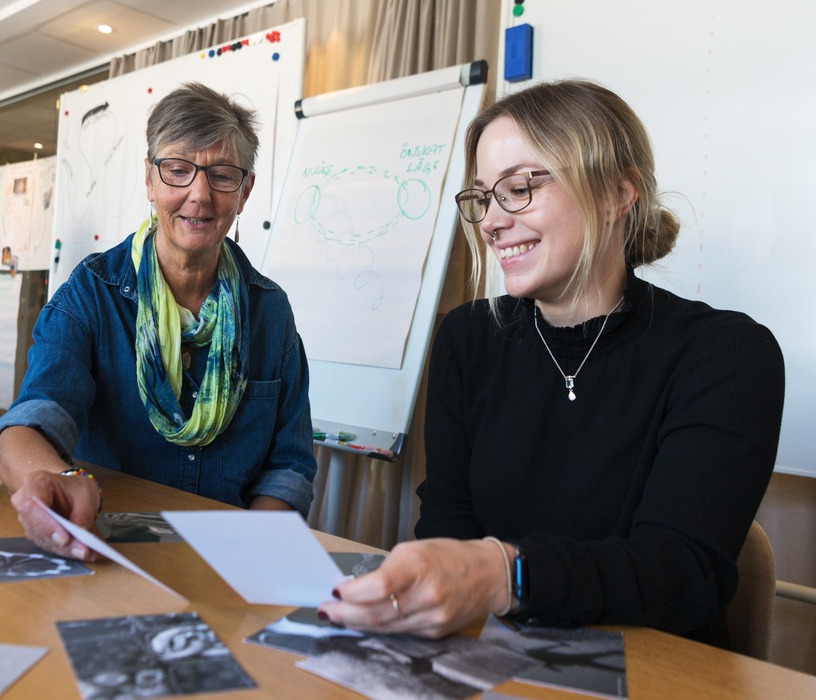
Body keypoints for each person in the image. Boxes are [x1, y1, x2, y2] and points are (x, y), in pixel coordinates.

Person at [318, 79, 785, 650]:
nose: (490, 221)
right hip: (488, 654)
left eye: (518, 188)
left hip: (651, 668)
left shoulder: (726, 355)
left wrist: (504, 573)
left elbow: (681, 573)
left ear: (618, 192)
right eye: (483, 198)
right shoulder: (468, 339)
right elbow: (448, 524)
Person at [0, 83, 317, 560]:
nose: (198, 195)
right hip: (108, 547)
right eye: (178, 171)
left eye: (222, 175)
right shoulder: (93, 292)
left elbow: (289, 468)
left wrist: (246, 551)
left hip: (228, 556)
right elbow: (31, 420)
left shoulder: (270, 312)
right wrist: (54, 481)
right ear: (150, 180)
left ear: (245, 192)